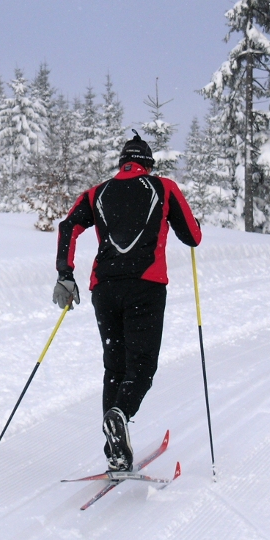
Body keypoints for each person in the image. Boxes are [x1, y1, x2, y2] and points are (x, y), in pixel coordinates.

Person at [53, 131, 202, 471]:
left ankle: (116, 452)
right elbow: (192, 236)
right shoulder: (162, 187)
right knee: (142, 367)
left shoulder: (97, 193)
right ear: (148, 165)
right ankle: (121, 414)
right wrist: (191, 223)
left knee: (114, 367)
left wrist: (65, 272)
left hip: (104, 289)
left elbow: (67, 227)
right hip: (145, 286)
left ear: (122, 164)